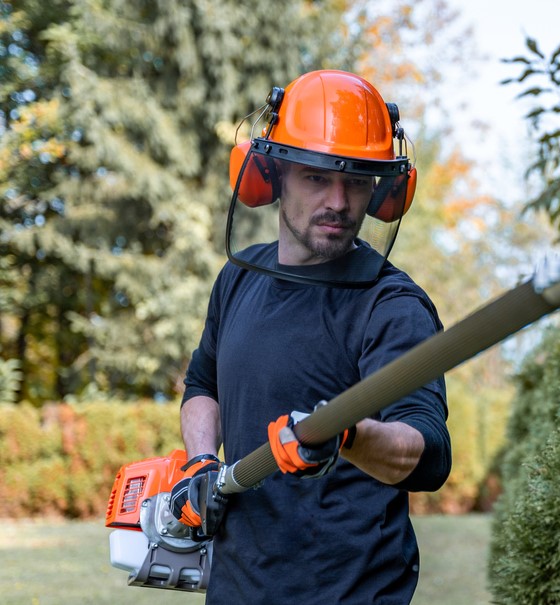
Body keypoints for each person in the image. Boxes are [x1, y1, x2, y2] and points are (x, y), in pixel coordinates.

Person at [172, 70, 451, 604]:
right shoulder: (239, 278)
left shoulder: (391, 305)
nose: (341, 202)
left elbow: (427, 451)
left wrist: (344, 434)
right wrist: (202, 461)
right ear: (271, 175)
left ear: (385, 190)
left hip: (346, 592)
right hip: (236, 587)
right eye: (317, 178)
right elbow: (202, 381)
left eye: (358, 181)